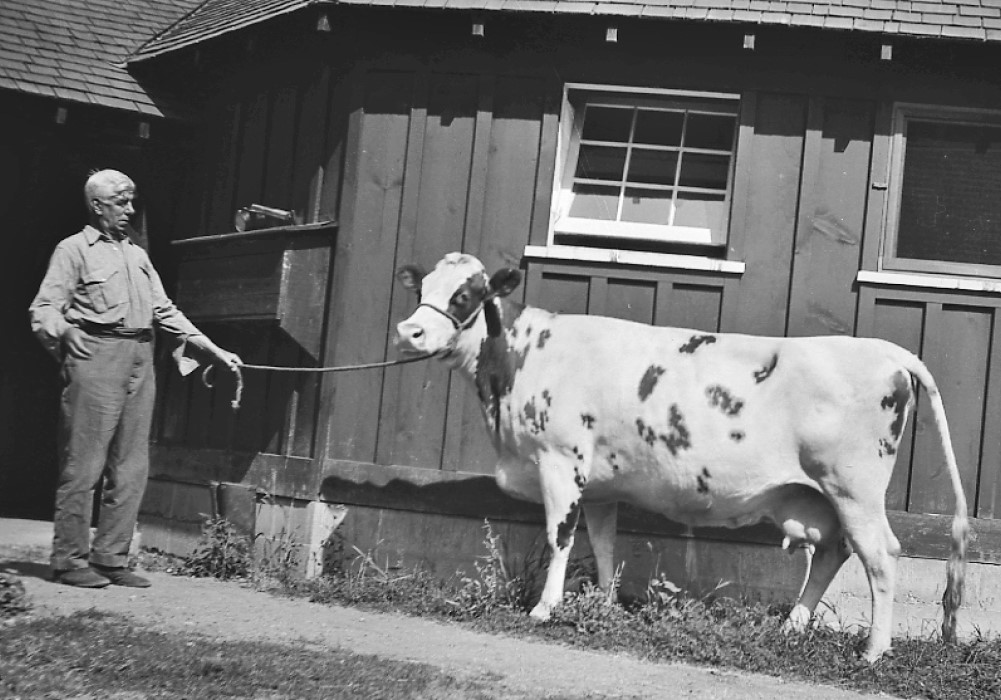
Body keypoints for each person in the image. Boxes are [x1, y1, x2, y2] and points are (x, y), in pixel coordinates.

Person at [29, 169, 242, 589]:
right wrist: (65, 330)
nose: (130, 209)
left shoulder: (137, 255)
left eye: (132, 201)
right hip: (96, 354)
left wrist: (215, 350)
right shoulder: (73, 250)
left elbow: (165, 311)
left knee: (131, 466)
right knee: (83, 463)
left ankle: (111, 557)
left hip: (141, 357)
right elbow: (44, 308)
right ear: (97, 205)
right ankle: (69, 560)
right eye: (121, 201)